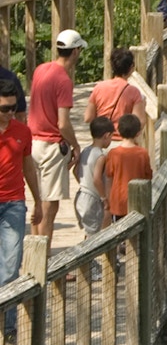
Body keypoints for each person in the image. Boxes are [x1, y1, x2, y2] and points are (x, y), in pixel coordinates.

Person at [27, 29, 86, 245]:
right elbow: (63, 123)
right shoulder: (64, 80)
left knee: (37, 201)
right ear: (76, 51)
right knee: (50, 205)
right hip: (52, 146)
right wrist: (76, 145)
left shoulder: (41, 70)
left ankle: (35, 250)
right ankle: (45, 259)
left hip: (31, 142)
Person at [0, 79, 39, 336]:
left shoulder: (22, 131)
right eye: (5, 108)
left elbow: (28, 167)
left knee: (10, 266)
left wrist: (38, 199)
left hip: (14, 203)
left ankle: (9, 328)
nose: (10, 113)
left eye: (14, 107)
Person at [94, 114, 152, 226]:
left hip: (118, 202)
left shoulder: (113, 153)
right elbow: (148, 176)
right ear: (138, 133)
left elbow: (109, 178)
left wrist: (108, 198)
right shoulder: (143, 153)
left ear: (119, 132)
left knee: (119, 231)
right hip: (138, 201)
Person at [84, 48, 148, 138]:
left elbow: (88, 117)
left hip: (101, 140)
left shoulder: (98, 88)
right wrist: (143, 106)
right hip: (122, 141)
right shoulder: (134, 92)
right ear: (131, 67)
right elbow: (139, 123)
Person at [73, 116, 111, 237]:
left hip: (81, 196)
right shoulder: (101, 156)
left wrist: (84, 183)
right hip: (92, 200)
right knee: (95, 236)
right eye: (111, 137)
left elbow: (75, 171)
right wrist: (104, 198)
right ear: (106, 135)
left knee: (89, 232)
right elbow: (97, 179)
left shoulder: (86, 150)